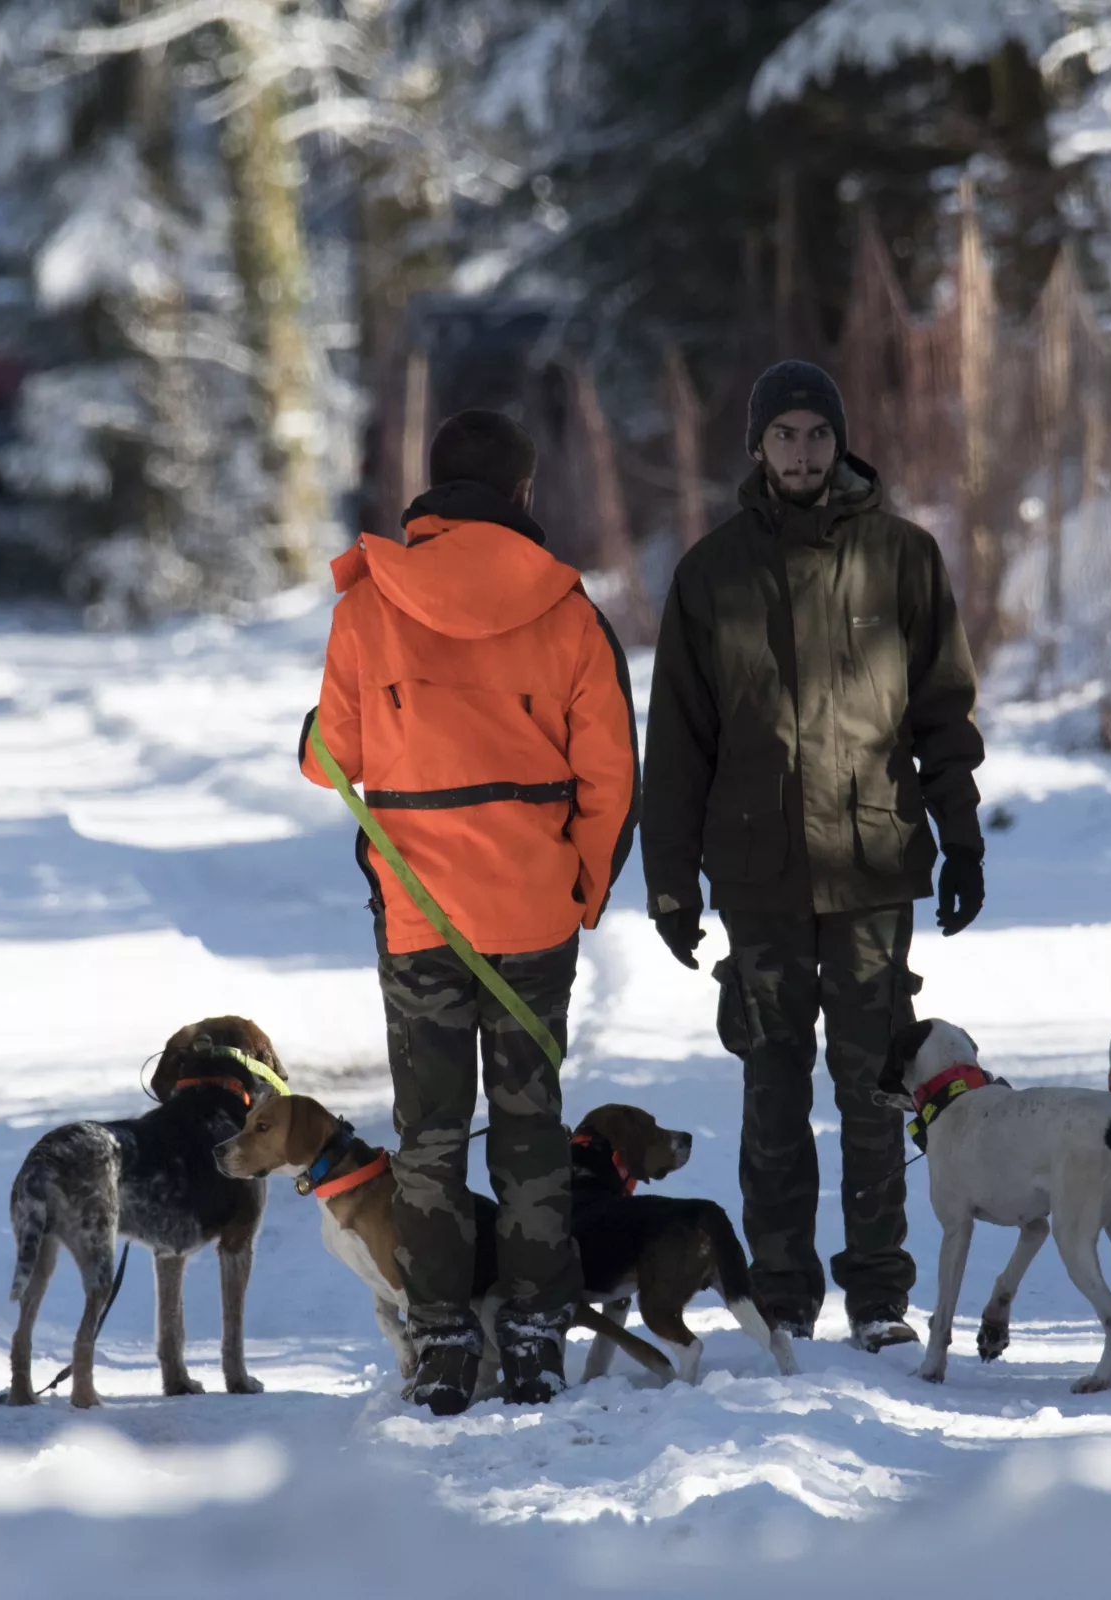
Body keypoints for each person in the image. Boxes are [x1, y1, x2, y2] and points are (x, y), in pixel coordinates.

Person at [642, 359, 985, 1352]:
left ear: (841, 444)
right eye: (784, 435)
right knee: (771, 1086)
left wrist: (959, 839)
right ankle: (783, 1292)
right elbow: (677, 746)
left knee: (876, 1091)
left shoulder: (904, 559)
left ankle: (879, 1292)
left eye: (817, 435)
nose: (801, 453)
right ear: (756, 447)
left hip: (874, 866)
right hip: (758, 882)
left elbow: (944, 715)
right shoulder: (712, 574)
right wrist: (671, 883)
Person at [300, 409, 638, 1414]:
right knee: (532, 1134)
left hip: (418, 920)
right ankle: (533, 1333)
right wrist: (577, 881)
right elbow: (611, 773)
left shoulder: (368, 605)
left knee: (430, 1137)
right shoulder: (571, 611)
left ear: (431, 493)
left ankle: (444, 1339)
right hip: (531, 917)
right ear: (525, 495)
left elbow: (335, 760)